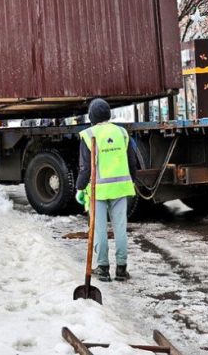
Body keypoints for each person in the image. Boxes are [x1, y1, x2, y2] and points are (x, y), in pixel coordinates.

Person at [76, 98, 140, 282]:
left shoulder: (88, 135)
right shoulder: (122, 133)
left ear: (92, 116)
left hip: (98, 190)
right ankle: (121, 269)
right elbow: (131, 161)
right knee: (120, 228)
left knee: (99, 229)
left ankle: (103, 268)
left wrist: (80, 188)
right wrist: (132, 181)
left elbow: (85, 168)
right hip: (120, 188)